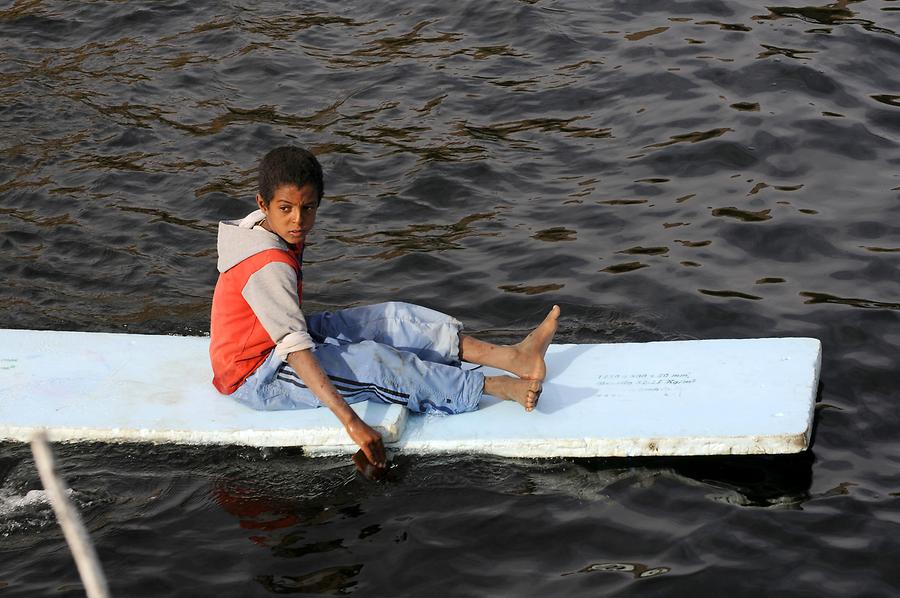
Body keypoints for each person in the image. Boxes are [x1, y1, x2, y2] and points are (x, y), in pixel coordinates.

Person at [209, 146, 560, 470]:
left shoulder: (270, 227)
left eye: (308, 207)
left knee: (388, 321)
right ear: (263, 203)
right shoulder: (267, 264)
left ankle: (513, 357)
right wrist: (352, 423)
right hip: (255, 375)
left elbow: (288, 327)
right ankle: (492, 386)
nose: (298, 219)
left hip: (274, 340)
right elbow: (295, 348)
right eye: (286, 209)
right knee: (376, 363)